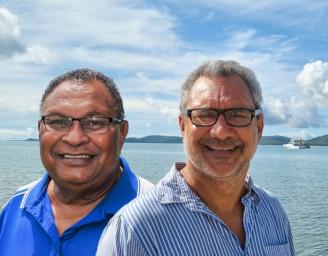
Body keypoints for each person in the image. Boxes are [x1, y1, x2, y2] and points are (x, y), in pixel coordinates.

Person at [97, 60, 296, 255]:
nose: (221, 132)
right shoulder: (134, 231)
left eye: (238, 114)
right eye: (204, 114)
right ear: (183, 126)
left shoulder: (272, 211)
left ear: (259, 128)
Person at [0, 68, 153, 255]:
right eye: (57, 121)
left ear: (122, 133)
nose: (74, 138)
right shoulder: (16, 206)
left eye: (95, 122)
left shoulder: (159, 216)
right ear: (40, 130)